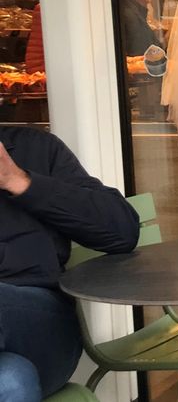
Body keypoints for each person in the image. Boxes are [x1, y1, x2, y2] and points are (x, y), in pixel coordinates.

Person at [0, 126, 140, 401]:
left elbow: (122, 232)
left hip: (44, 327)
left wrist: (18, 180)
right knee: (12, 379)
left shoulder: (36, 149)